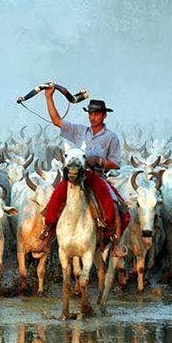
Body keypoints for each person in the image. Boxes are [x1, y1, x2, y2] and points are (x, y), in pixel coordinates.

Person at [33, 83, 129, 255]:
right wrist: (49, 97)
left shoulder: (111, 138)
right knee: (55, 200)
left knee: (113, 204)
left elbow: (115, 163)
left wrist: (98, 160)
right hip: (74, 176)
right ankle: (45, 238)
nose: (93, 117)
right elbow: (57, 121)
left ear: (104, 115)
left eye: (97, 114)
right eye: (91, 114)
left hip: (97, 177)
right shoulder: (79, 131)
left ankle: (115, 242)